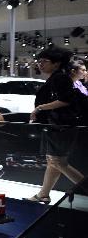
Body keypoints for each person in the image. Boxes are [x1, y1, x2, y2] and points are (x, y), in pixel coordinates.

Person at [28, 47, 84, 203]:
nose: (40, 64)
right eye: (39, 61)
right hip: (58, 125)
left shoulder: (59, 77)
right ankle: (43, 194)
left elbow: (65, 100)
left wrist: (40, 108)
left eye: (44, 61)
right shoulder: (57, 77)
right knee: (52, 161)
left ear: (57, 63)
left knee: (58, 162)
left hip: (61, 126)